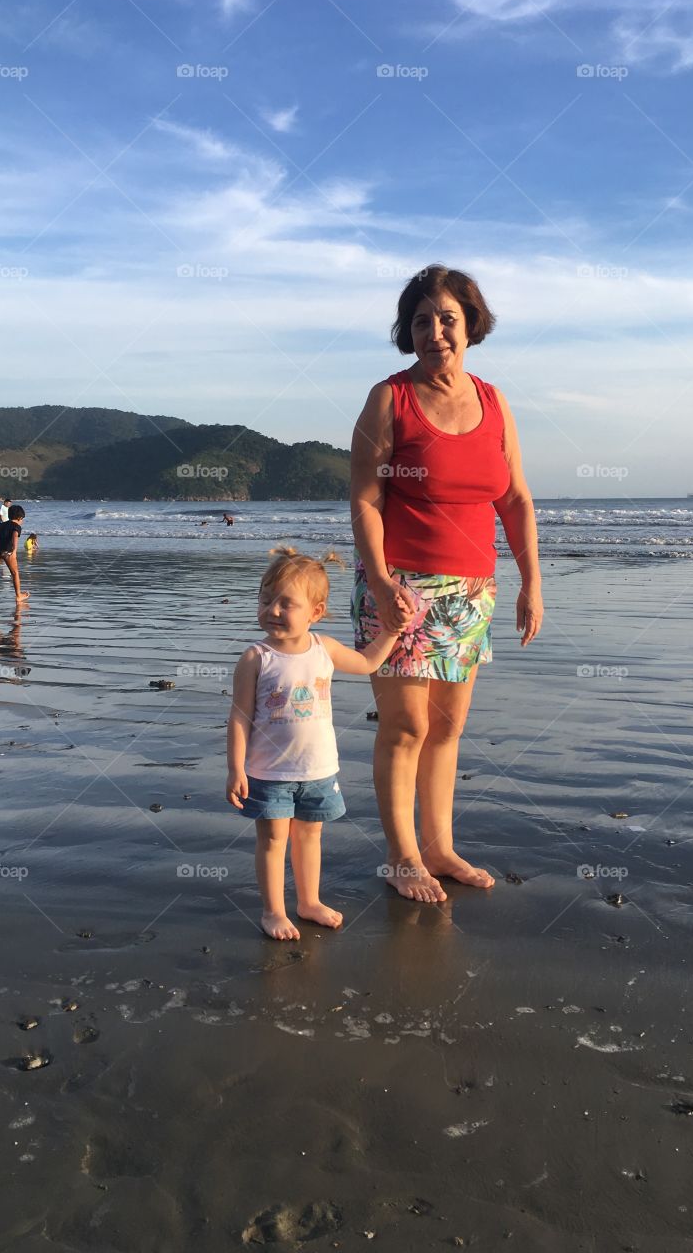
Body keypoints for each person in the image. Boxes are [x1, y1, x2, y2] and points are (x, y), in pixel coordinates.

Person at [350, 264, 543, 903]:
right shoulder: (389, 399)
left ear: (471, 326)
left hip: (470, 592)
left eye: (448, 319)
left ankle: (439, 847)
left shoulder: (494, 401)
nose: (436, 331)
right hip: (400, 586)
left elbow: (514, 498)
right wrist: (379, 582)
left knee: (447, 728)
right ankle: (402, 857)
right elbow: (365, 499)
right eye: (422, 320)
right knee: (404, 727)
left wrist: (530, 581)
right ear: (408, 331)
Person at [226, 547, 400, 941]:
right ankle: (273, 911)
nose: (272, 610)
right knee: (273, 840)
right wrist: (235, 767)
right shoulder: (256, 658)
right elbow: (239, 716)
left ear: (315, 612)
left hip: (319, 769)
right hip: (268, 772)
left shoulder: (325, 649)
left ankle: (309, 901)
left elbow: (369, 662)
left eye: (286, 603)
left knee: (311, 835)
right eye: (265, 599)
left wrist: (391, 631)